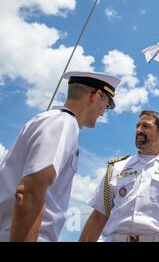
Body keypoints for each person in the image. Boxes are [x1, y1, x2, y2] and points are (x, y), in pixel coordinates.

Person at [0, 71, 121, 242]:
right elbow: (29, 193)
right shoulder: (62, 123)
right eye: (107, 106)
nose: (103, 113)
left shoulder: (51, 120)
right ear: (96, 95)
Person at [79, 110, 159, 242]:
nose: (139, 130)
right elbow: (98, 217)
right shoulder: (116, 168)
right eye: (137, 126)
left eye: (145, 126)